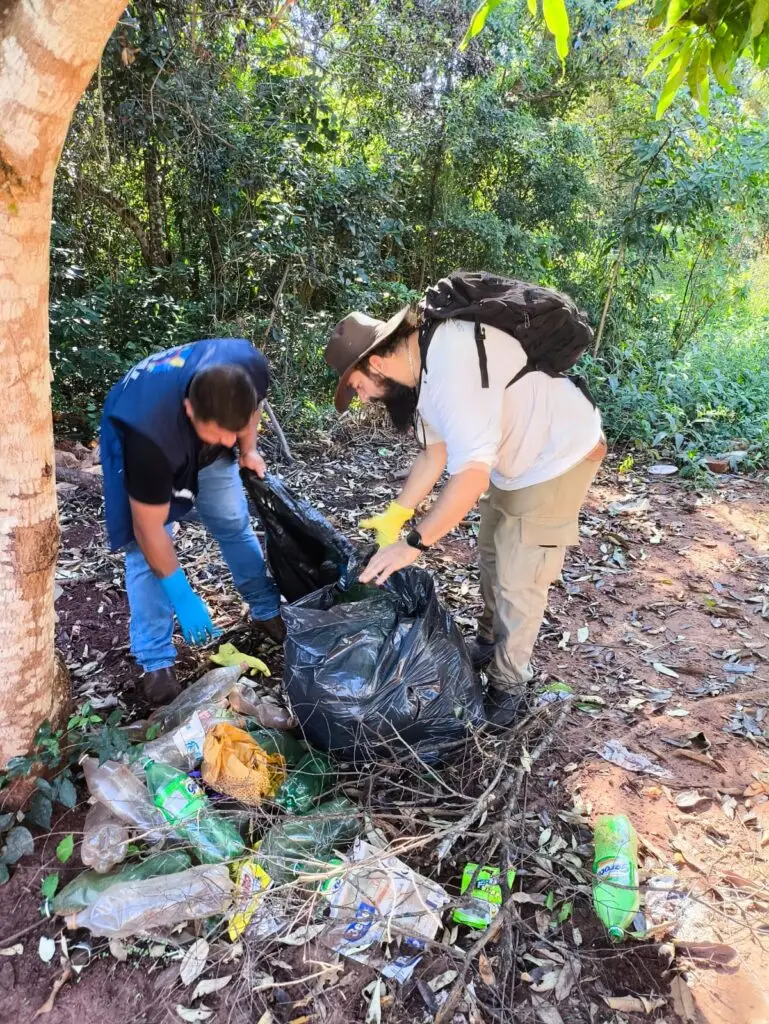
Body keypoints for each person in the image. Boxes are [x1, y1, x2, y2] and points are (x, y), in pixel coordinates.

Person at [324, 298, 606, 725]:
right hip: (516, 460)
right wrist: (398, 513)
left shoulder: (452, 364)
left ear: (377, 362)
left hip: (558, 452)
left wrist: (414, 544)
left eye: (357, 386)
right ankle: (491, 641)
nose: (360, 398)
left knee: (520, 574)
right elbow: (433, 455)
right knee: (493, 554)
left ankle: (509, 685)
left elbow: (470, 477)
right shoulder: (421, 370)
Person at [100, 338, 283, 705]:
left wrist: (246, 449)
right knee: (143, 554)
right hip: (142, 433)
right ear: (189, 409)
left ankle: (267, 610)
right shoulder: (148, 438)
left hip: (201, 428)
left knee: (233, 521)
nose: (227, 438)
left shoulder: (247, 367)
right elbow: (148, 530)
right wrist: (182, 594)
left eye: (235, 429)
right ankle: (156, 660)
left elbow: (248, 412)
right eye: (219, 432)